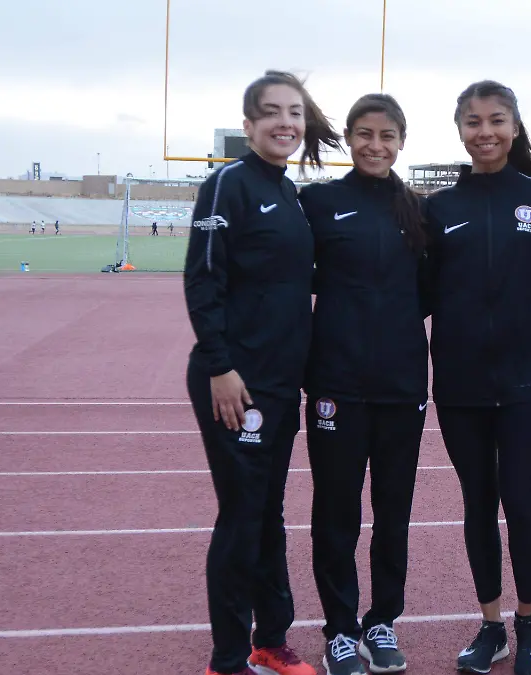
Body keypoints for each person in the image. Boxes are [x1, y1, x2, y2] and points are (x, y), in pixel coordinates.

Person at [183, 69, 340, 675]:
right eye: (272, 112)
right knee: (244, 514)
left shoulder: (292, 196)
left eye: (295, 112)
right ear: (248, 125)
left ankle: (270, 639)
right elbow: (204, 276)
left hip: (280, 383)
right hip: (236, 383)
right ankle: (227, 658)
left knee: (267, 509)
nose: (285, 122)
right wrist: (220, 366)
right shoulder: (229, 184)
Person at [424, 80, 531, 675]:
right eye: (473, 122)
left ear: (514, 126)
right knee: (477, 504)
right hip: (459, 384)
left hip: (530, 383)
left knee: (521, 502)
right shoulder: (438, 208)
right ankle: (491, 625)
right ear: (459, 129)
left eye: (496, 120)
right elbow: (416, 293)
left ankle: (529, 621)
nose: (485, 132)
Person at [297, 93, 430, 675]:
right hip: (335, 385)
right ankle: (341, 630)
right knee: (336, 511)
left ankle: (382, 621)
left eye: (388, 136)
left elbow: (429, 294)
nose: (376, 146)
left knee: (393, 511)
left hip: (402, 386)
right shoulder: (318, 202)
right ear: (349, 138)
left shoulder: (420, 210)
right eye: (364, 134)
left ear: (402, 141)